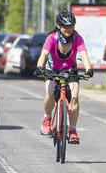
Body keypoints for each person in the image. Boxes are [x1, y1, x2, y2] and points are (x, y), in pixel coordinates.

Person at [34, 10, 93, 144]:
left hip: (70, 71)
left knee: (74, 97)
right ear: (59, 26)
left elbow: (84, 55)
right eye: (65, 26)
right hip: (53, 70)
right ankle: (47, 118)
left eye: (71, 26)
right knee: (50, 95)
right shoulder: (52, 38)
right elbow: (43, 55)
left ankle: (72, 130)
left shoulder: (77, 38)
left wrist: (89, 69)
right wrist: (39, 67)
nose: (68, 29)